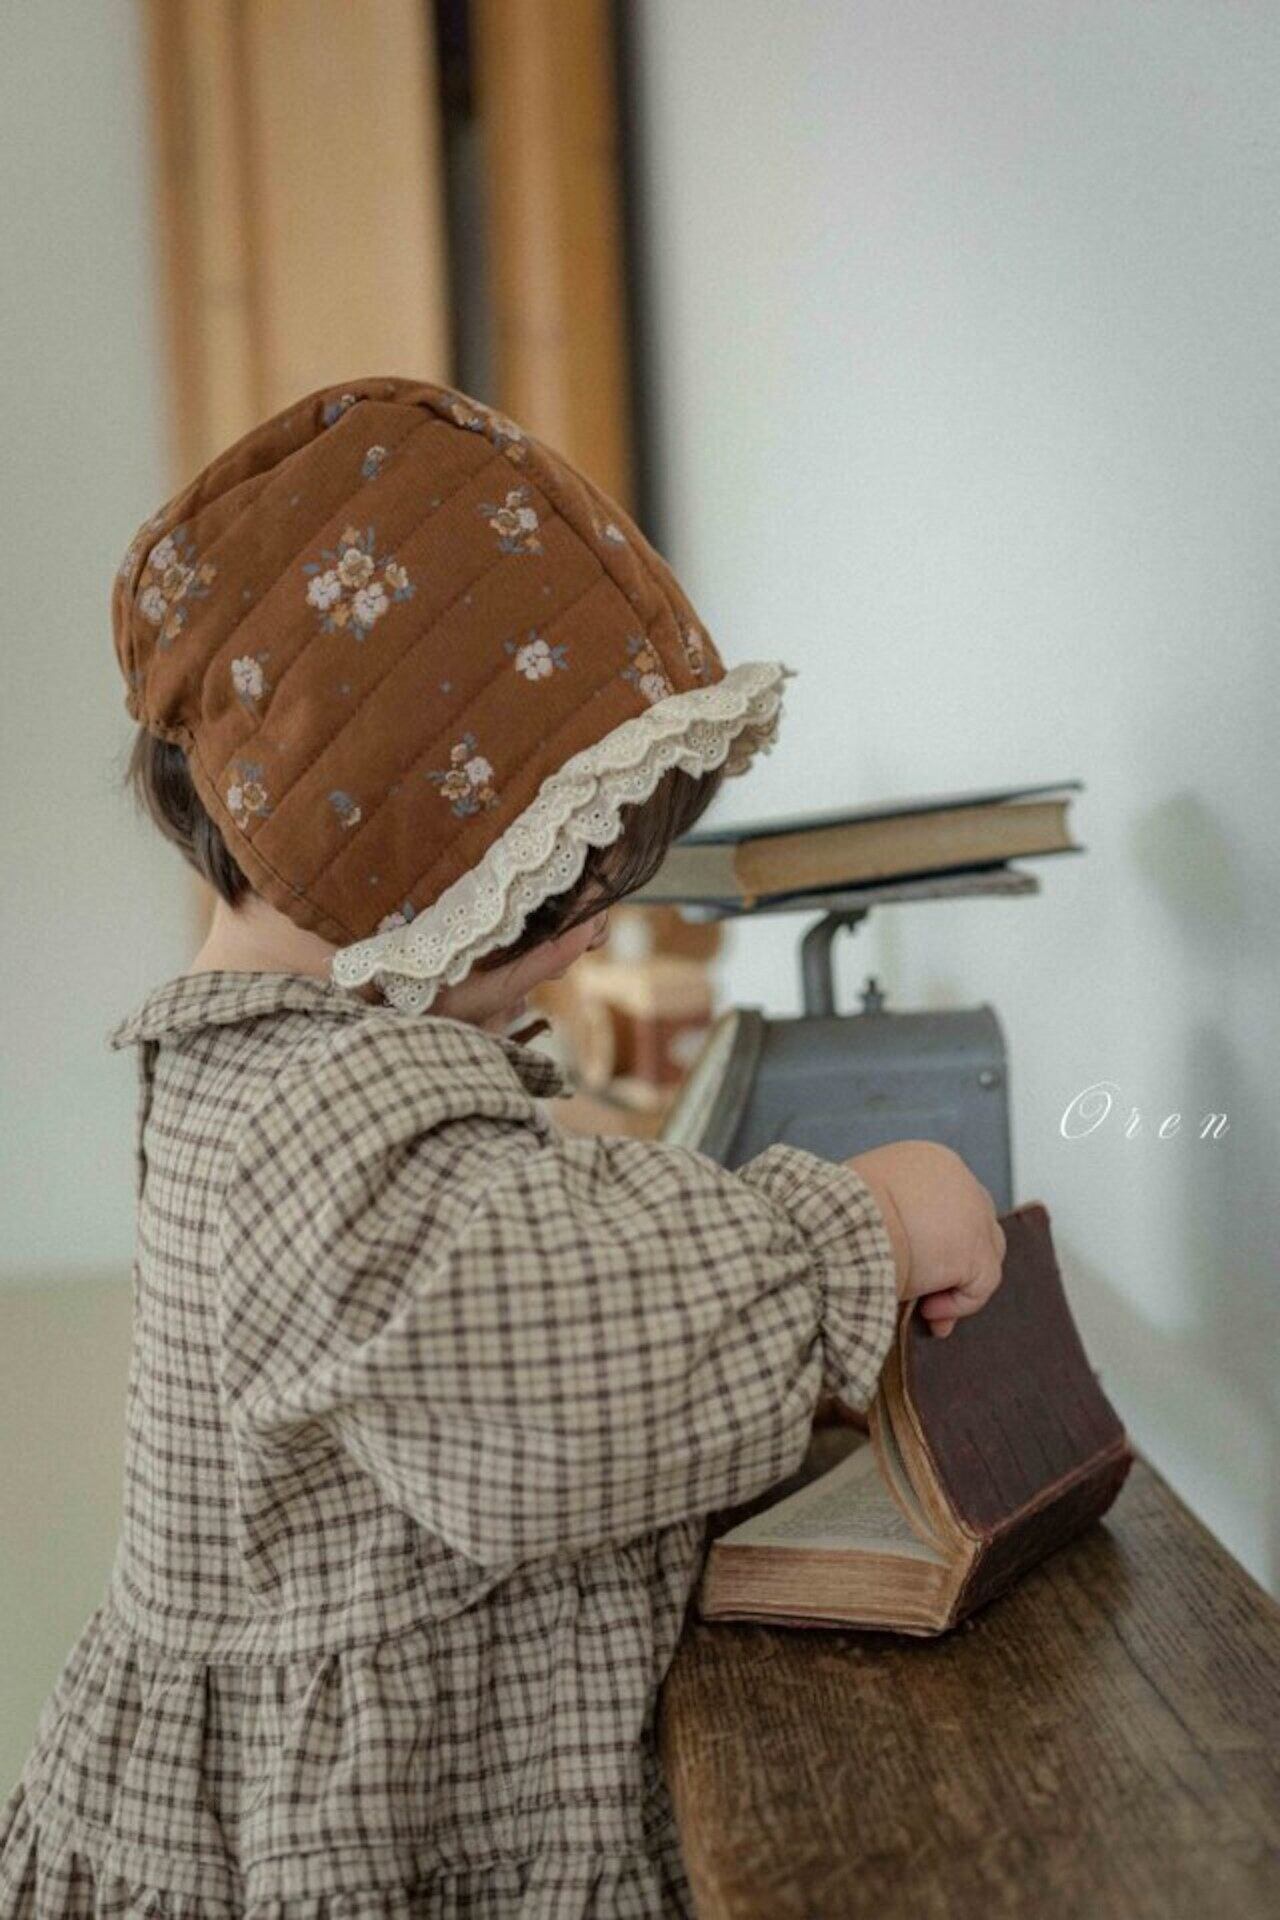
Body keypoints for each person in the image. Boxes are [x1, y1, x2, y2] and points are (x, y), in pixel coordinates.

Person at [0, 377, 1004, 1919]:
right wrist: (863, 1227)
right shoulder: (321, 1111)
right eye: (569, 871)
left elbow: (478, 1273)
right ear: (407, 849)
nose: (600, 923)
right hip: (374, 1848)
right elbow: (557, 1388)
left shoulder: (282, 1074)